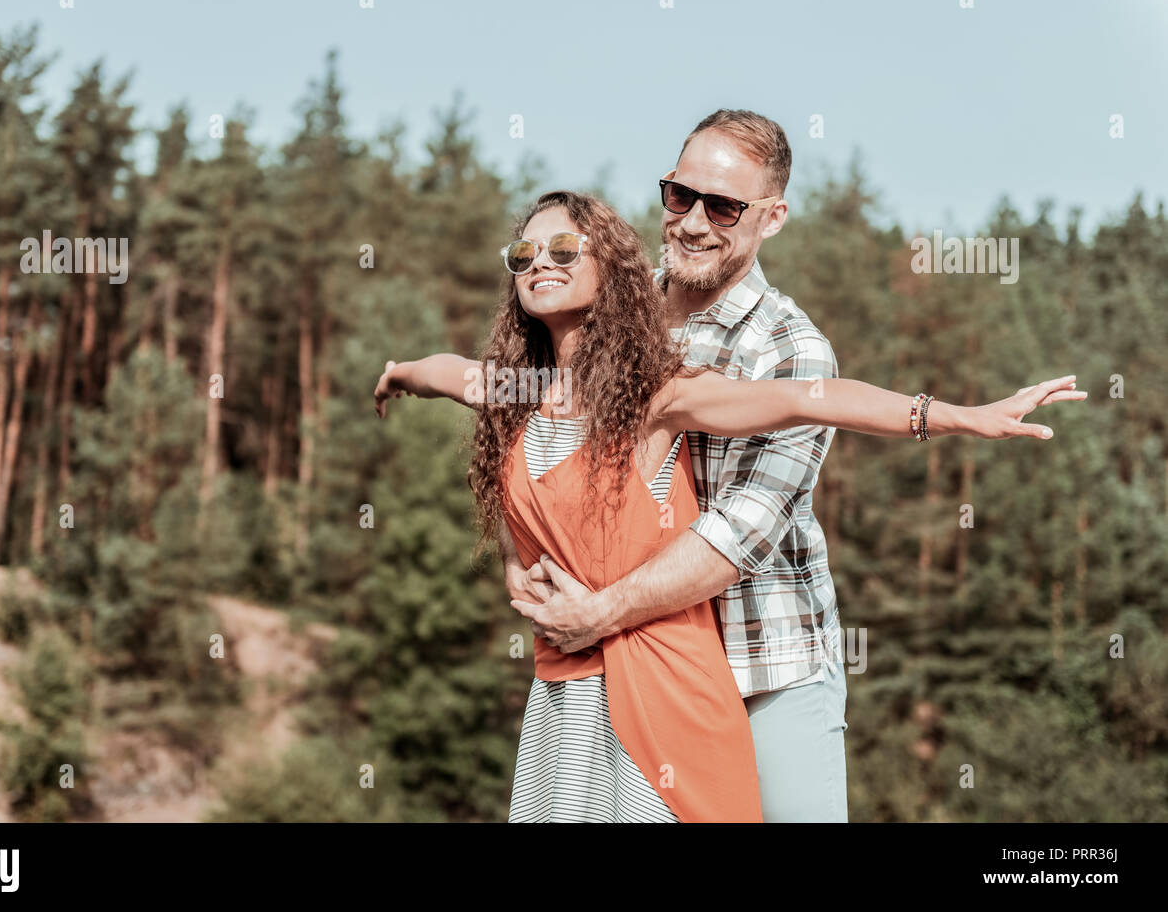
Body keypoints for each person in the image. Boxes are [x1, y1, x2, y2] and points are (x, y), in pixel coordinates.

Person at [374, 185, 1084, 822]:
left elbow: (805, 397)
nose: (539, 262)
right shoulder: (518, 392)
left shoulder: (654, 397)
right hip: (564, 685)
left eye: (563, 247)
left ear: (611, 270)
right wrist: (398, 375)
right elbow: (450, 373)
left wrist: (960, 415)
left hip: (659, 682)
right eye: (523, 252)